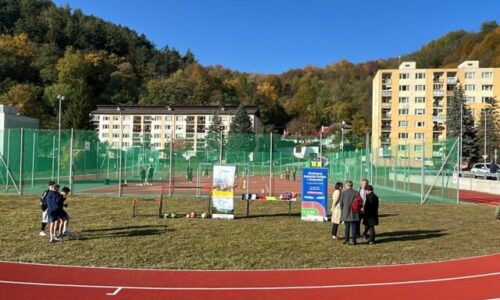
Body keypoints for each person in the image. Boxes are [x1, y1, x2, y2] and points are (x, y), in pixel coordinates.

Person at [339, 180, 360, 245]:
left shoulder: (344, 193)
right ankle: (354, 241)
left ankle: (347, 240)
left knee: (347, 227)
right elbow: (360, 202)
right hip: (355, 212)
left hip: (346, 212)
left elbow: (341, 203)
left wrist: (343, 209)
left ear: (346, 185)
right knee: (354, 227)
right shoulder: (356, 192)